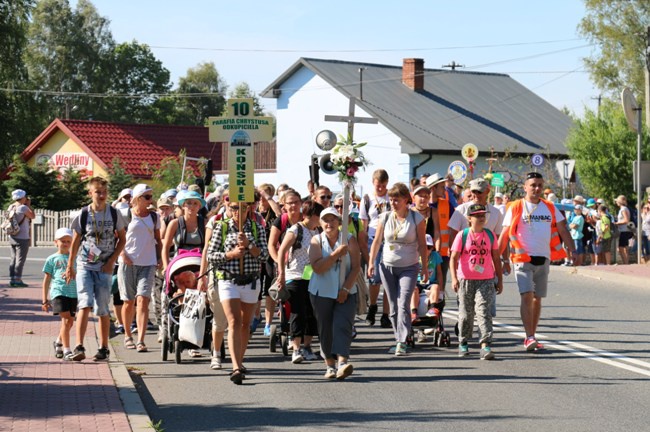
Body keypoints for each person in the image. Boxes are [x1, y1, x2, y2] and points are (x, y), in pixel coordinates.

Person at [498, 172, 573, 351]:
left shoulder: (549, 207)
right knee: (527, 295)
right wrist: (497, 258)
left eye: (539, 185)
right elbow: (504, 234)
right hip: (522, 259)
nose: (537, 188)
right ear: (525, 187)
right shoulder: (516, 207)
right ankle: (529, 337)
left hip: (544, 258)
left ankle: (533, 334)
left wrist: (573, 250)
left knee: (538, 298)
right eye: (533, 185)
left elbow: (563, 229)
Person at [206, 201, 269, 385]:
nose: (237, 211)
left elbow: (265, 255)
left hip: (250, 280)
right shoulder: (221, 227)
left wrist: (249, 245)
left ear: (248, 208)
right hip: (228, 280)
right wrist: (231, 255)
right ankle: (235, 366)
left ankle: (239, 361)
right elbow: (211, 255)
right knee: (233, 321)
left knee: (245, 324)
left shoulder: (257, 228)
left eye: (241, 207)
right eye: (233, 207)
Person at [66, 176, 127, 361]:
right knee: (84, 303)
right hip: (85, 264)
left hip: (105, 266)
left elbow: (122, 239)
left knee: (102, 308)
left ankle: (103, 348)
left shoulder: (114, 214)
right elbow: (76, 240)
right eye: (98, 192)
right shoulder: (83, 213)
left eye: (104, 192)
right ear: (90, 193)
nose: (101, 195)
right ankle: (79, 346)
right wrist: (70, 265)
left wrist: (111, 262)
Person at [368, 183, 428, 355]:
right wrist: (372, 262)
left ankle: (402, 340)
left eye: (397, 200)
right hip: (387, 266)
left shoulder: (417, 218)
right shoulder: (385, 217)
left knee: (403, 303)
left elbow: (423, 245)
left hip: (409, 266)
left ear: (406, 200)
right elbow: (377, 241)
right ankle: (398, 337)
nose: (393, 203)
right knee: (393, 306)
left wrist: (424, 267)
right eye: (391, 200)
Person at [309, 207, 360, 380]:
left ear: (339, 222)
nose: (329, 223)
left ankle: (343, 362)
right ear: (320, 223)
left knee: (343, 324)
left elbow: (356, 267)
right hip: (321, 291)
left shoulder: (349, 239)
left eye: (332, 220)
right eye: (325, 220)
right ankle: (329, 365)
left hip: (346, 290)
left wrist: (345, 289)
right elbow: (317, 268)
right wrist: (335, 255)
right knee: (325, 328)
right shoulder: (316, 240)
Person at [451, 204, 503, 360]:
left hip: (486, 279)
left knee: (483, 311)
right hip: (465, 279)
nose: (481, 218)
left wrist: (499, 280)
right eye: (477, 215)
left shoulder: (490, 235)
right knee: (466, 314)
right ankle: (463, 342)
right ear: (469, 218)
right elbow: (453, 258)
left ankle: (485, 344)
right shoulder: (463, 235)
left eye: (483, 215)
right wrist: (454, 278)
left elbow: (495, 258)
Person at [276, 200, 324, 363]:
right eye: (319, 216)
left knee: (312, 312)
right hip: (294, 276)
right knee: (298, 311)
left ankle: (307, 346)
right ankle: (296, 348)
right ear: (312, 215)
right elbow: (282, 250)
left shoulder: (317, 231)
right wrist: (281, 274)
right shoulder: (296, 229)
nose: (321, 220)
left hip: (312, 276)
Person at [117, 184, 161, 353]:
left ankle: (141, 340)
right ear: (137, 199)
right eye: (147, 197)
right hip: (128, 263)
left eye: (151, 196)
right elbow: (117, 238)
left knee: (143, 300)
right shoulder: (125, 215)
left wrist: (158, 258)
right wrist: (123, 254)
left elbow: (159, 239)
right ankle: (128, 335)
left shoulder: (154, 217)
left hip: (148, 263)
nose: (151, 200)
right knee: (129, 302)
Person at [358, 169, 391, 328]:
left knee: (389, 279)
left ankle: (386, 314)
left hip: (390, 239)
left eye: (383, 186)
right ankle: (372, 306)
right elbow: (363, 223)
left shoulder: (391, 197)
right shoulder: (367, 199)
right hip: (373, 239)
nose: (380, 189)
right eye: (378, 186)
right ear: (373, 183)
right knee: (374, 278)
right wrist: (363, 244)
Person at [42, 228, 77, 360]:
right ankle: (67, 351)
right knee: (66, 319)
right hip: (58, 292)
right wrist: (44, 300)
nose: (66, 243)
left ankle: (58, 342)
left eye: (69, 241)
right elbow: (46, 280)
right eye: (63, 241)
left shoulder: (74, 258)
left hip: (73, 293)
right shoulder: (52, 259)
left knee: (69, 323)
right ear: (55, 242)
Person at [7, 189, 35, 287]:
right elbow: (33, 216)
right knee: (20, 259)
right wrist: (28, 205)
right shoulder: (23, 208)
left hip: (12, 235)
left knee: (13, 258)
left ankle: (12, 279)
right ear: (22, 197)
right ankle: (18, 280)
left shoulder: (11, 206)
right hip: (22, 237)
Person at [614, 195, 632, 264]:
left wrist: (617, 223)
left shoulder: (623, 209)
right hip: (624, 230)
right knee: (624, 247)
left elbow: (626, 220)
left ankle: (625, 263)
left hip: (624, 230)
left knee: (622, 248)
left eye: (617, 201)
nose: (616, 203)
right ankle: (626, 262)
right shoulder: (624, 208)